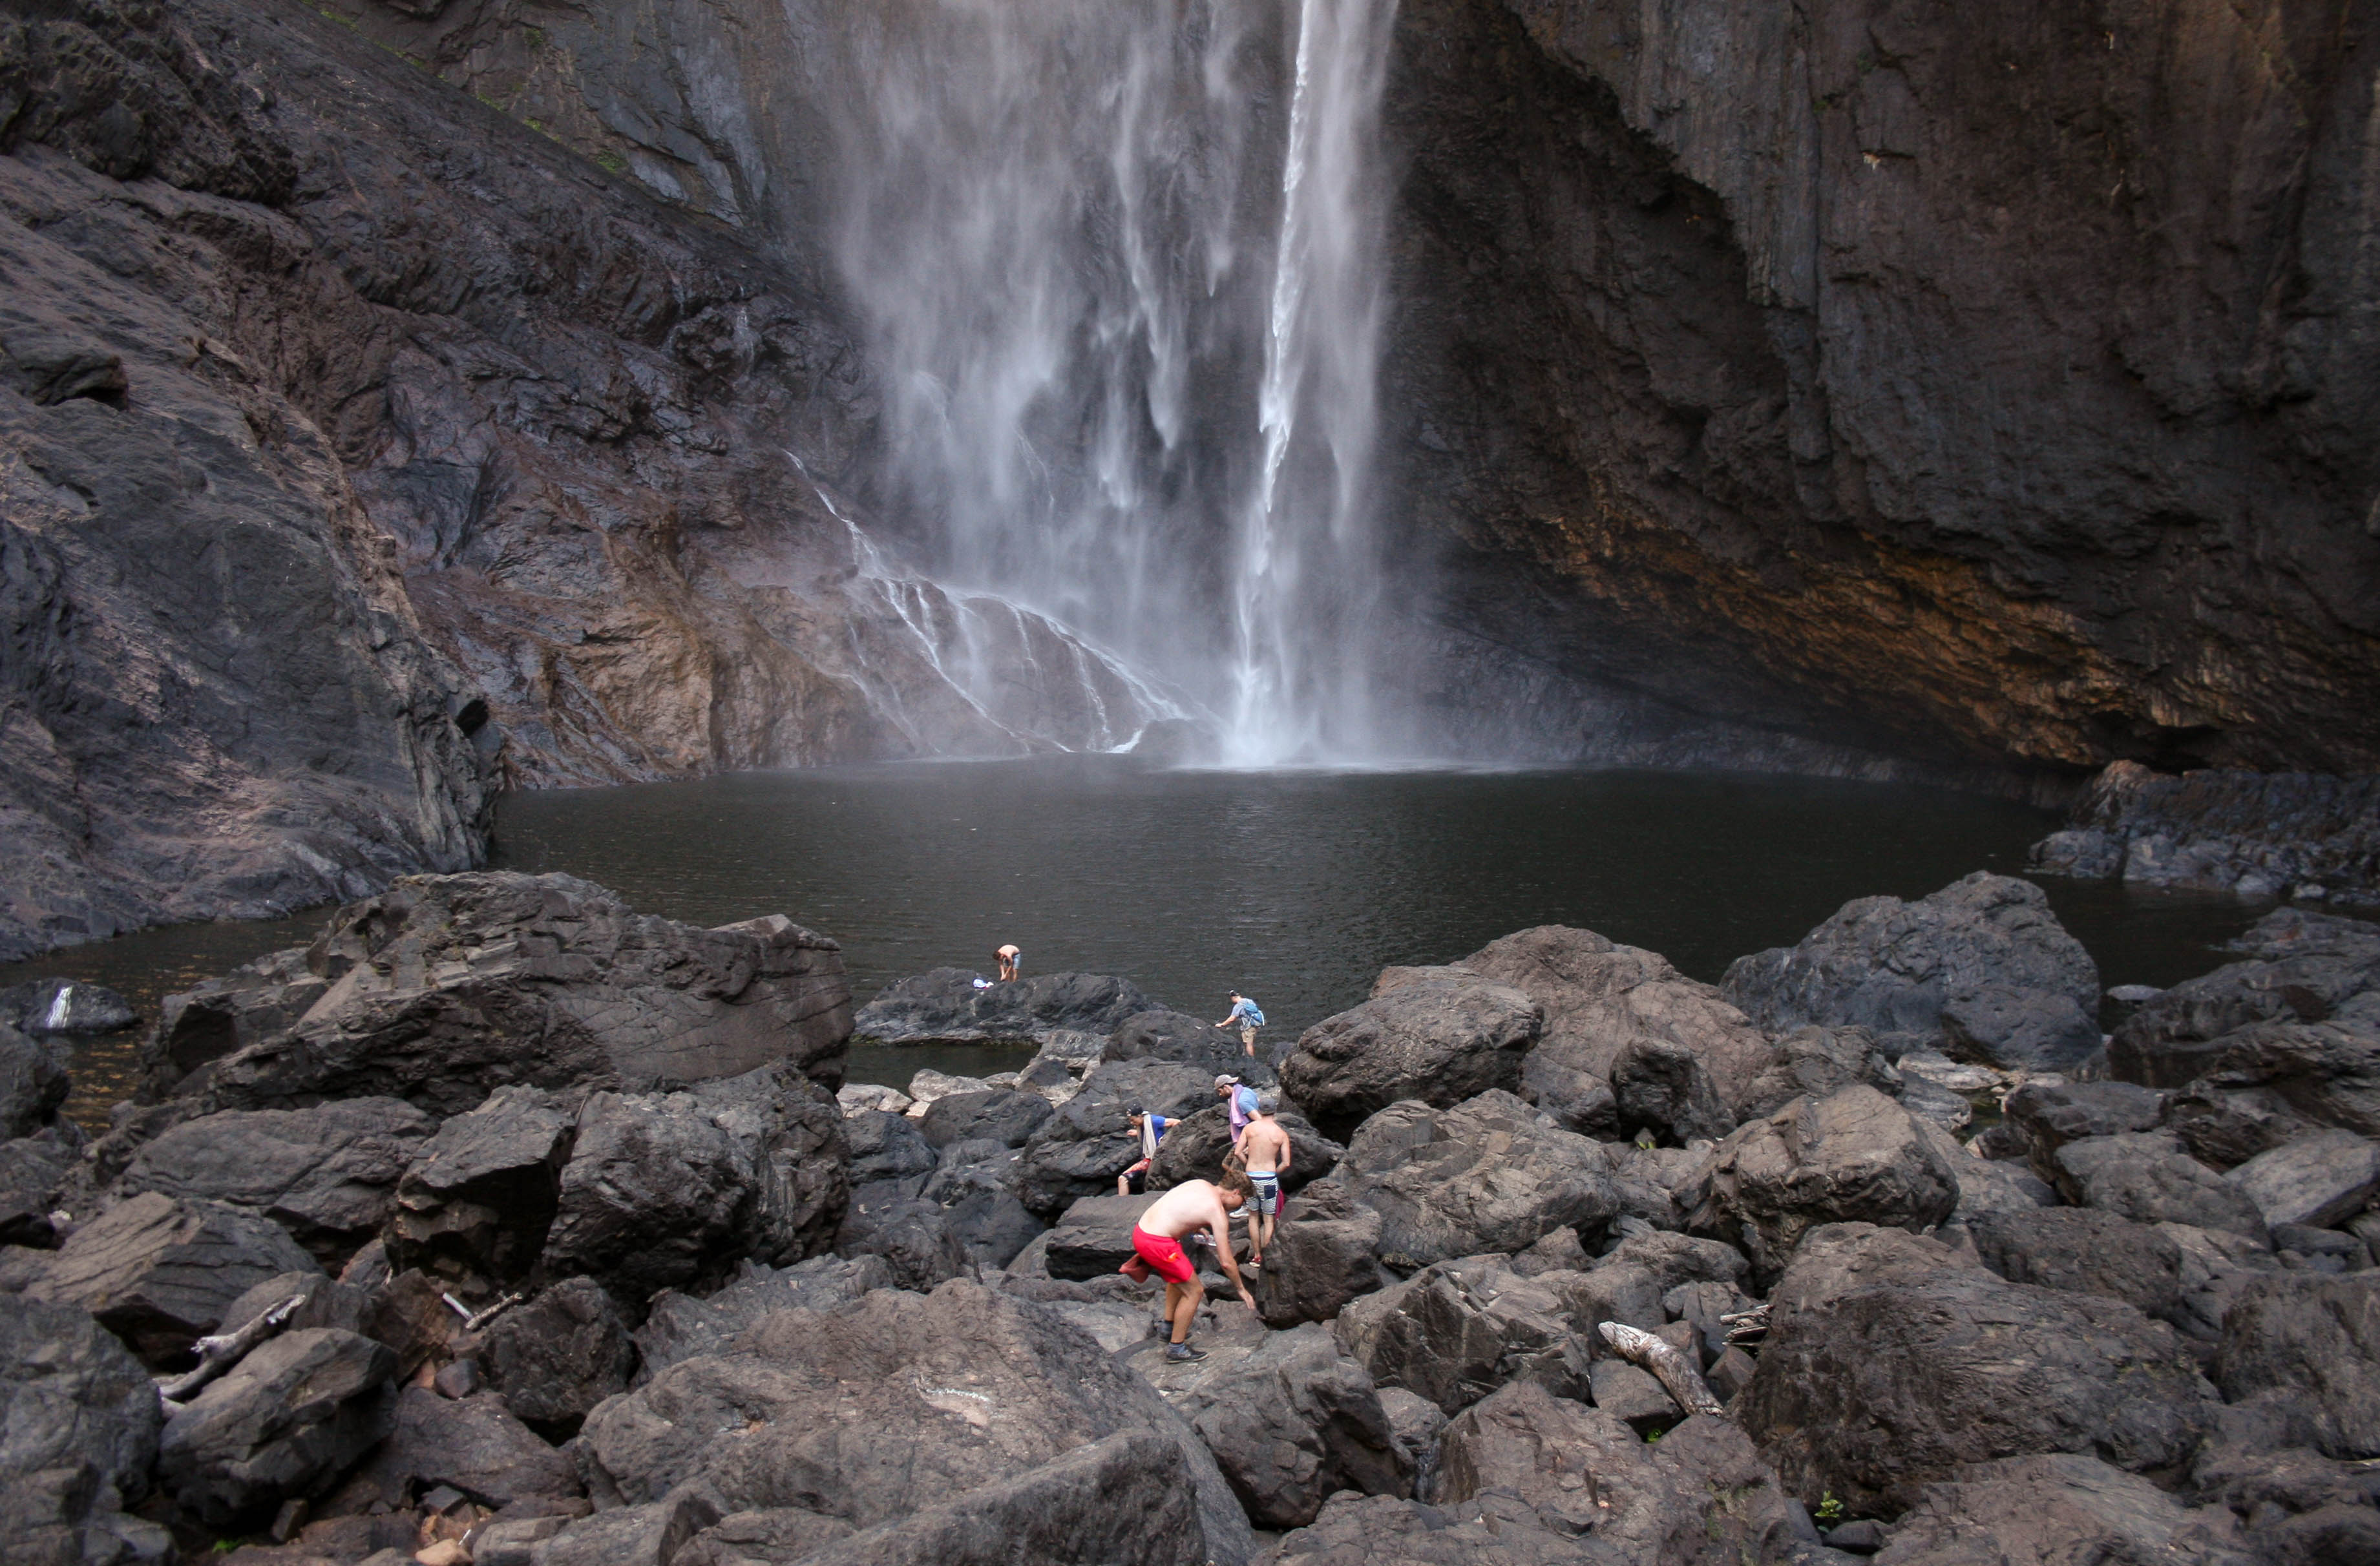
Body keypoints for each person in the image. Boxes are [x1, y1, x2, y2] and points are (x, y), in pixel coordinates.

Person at [1119, 1169, 1258, 1359]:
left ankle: (1168, 1327)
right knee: (1195, 1290)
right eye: (1242, 1200)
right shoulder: (1216, 1212)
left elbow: (1177, 1204)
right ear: (1235, 1192)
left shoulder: (1200, 1184)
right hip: (1157, 1243)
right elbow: (1226, 1262)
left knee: (1181, 1276)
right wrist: (1241, 1289)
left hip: (1142, 1231)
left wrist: (1195, 1224)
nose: (1238, 1206)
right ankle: (1176, 1348)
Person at [1233, 1090, 1292, 1269]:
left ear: (1259, 1109)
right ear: (1275, 1111)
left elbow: (1237, 1152)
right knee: (1268, 1219)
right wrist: (1274, 1172)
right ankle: (1266, 1257)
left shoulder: (1250, 1129)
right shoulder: (1281, 1133)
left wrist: (1248, 1163)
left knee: (1252, 1216)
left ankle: (1256, 1256)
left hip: (1251, 1178)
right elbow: (1287, 1163)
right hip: (1268, 1179)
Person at [1117, 1108, 1172, 1196]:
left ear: (1139, 1116)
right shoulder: (1143, 1125)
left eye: (1132, 1120)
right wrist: (1137, 1133)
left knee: (1123, 1179)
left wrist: (1166, 1138)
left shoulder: (1154, 1121)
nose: (1131, 1123)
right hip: (1150, 1157)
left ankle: (1122, 1204)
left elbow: (1176, 1122)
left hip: (1153, 1158)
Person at [1214, 992, 1265, 1056]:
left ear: (1233, 998)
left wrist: (1222, 1024)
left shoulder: (1238, 1006)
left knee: (1249, 1044)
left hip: (1248, 1027)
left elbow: (1232, 1018)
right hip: (1256, 1024)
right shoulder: (1249, 1001)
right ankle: (1248, 1056)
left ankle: (1251, 1059)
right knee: (1249, 1042)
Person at [1216, 1074, 1259, 1140]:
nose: (1220, 1094)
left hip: (1255, 1136)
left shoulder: (1242, 1102)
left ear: (1226, 1087)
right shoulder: (1246, 1090)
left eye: (1220, 1091)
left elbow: (1259, 1120)